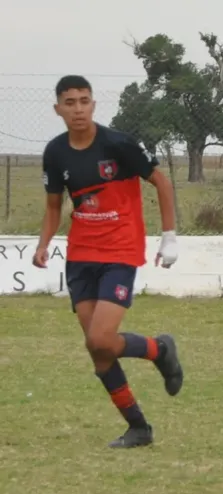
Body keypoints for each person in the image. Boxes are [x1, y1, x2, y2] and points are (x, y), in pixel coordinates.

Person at [33, 75, 183, 449]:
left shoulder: (118, 144)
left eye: (84, 101)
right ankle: (139, 427)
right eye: (70, 102)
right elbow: (54, 206)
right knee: (97, 347)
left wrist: (169, 237)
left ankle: (159, 349)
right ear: (58, 109)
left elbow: (161, 182)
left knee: (101, 337)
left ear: (94, 105)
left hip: (120, 251)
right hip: (81, 255)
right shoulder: (55, 152)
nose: (78, 108)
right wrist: (43, 244)